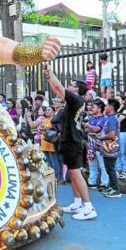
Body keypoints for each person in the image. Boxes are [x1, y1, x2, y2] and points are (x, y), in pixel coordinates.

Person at [44, 65, 95, 220]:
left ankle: (88, 207)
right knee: (73, 174)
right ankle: (78, 203)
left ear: (77, 90)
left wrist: (50, 72)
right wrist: (48, 75)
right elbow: (56, 88)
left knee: (76, 173)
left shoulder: (76, 99)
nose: (70, 86)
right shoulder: (73, 100)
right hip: (69, 140)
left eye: (72, 85)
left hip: (73, 141)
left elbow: (58, 88)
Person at [84, 100, 108, 190]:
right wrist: (89, 127)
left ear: (99, 108)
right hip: (90, 144)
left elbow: (96, 129)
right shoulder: (92, 118)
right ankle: (92, 182)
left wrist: (88, 125)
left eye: (93, 107)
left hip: (100, 145)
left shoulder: (104, 119)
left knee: (102, 165)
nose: (91, 108)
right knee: (91, 164)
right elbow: (86, 130)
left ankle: (104, 183)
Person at [100, 98, 121, 198]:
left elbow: (112, 134)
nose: (105, 107)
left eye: (107, 105)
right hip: (107, 147)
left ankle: (116, 189)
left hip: (111, 148)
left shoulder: (113, 118)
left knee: (111, 168)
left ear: (111, 107)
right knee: (108, 168)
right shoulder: (109, 117)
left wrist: (101, 137)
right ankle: (112, 186)